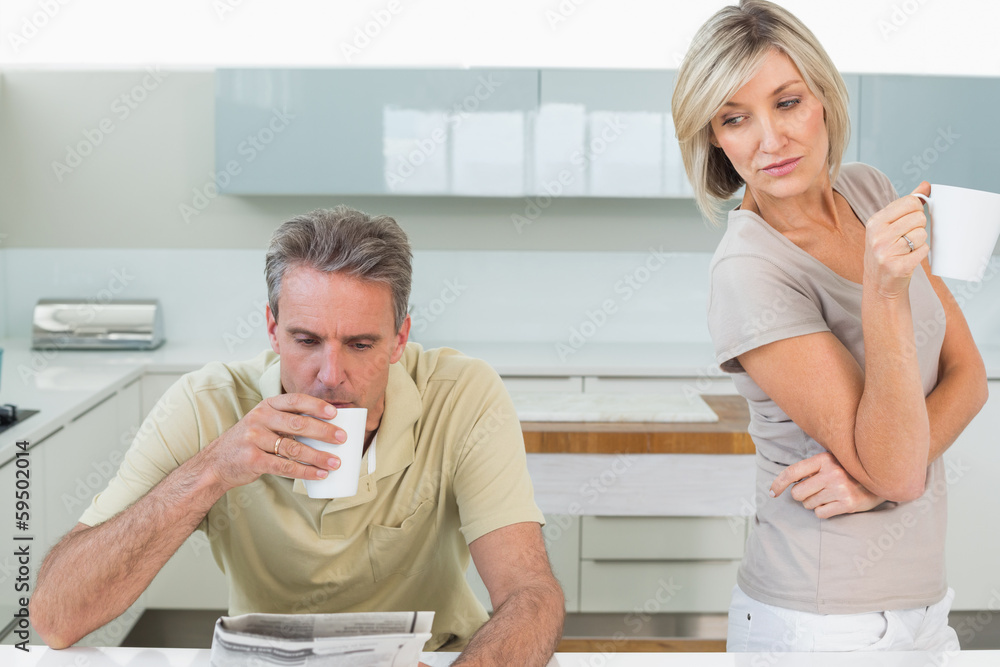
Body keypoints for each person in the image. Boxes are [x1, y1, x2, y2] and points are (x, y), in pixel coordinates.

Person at [30, 205, 565, 666]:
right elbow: (57, 617)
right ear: (271, 328)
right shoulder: (206, 404)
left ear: (400, 338)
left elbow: (530, 593)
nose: (330, 374)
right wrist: (213, 469)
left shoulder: (461, 394)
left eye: (360, 344)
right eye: (306, 339)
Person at [672, 0, 987, 652]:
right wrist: (883, 290)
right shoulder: (749, 270)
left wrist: (874, 486)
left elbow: (969, 375)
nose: (769, 139)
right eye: (735, 118)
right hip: (821, 620)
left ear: (824, 98)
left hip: (926, 604)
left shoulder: (869, 191)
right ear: (714, 139)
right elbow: (899, 470)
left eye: (786, 102)